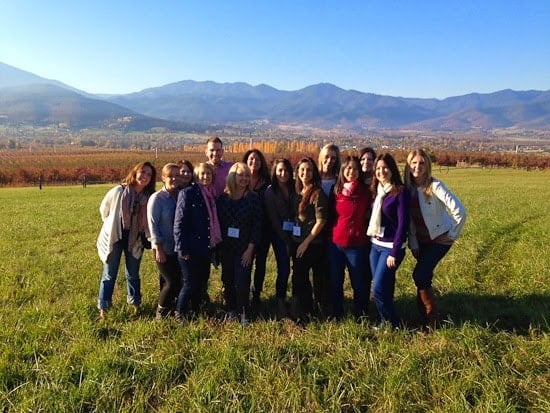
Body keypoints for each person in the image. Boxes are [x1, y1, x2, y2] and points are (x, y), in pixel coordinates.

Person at [404, 148, 467, 329]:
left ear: (428, 165)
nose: (417, 167)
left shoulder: (435, 186)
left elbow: (460, 212)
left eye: (422, 163)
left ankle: (433, 318)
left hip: (439, 240)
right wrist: (414, 243)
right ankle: (423, 317)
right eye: (414, 163)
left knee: (420, 274)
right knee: (424, 276)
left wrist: (452, 236)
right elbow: (410, 222)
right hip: (422, 241)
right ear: (408, 166)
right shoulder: (408, 189)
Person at [96, 161, 156, 319]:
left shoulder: (148, 197)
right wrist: (111, 225)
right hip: (115, 238)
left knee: (133, 274)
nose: (145, 177)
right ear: (135, 172)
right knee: (109, 274)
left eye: (149, 175)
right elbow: (104, 209)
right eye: (142, 172)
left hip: (135, 239)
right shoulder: (118, 191)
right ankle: (104, 308)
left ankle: (135, 305)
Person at [174, 163, 222, 322]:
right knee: (189, 283)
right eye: (202, 174)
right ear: (196, 176)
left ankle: (195, 310)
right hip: (190, 248)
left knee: (201, 282)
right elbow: (179, 223)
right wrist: (182, 248)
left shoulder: (212, 195)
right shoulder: (187, 193)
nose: (205, 177)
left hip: (206, 248)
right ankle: (180, 314)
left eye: (208, 174)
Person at [367, 153, 409, 329]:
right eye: (378, 168)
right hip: (375, 245)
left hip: (390, 248)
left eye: (385, 168)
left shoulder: (399, 192)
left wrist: (394, 252)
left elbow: (402, 224)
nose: (381, 171)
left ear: (392, 169)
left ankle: (393, 323)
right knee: (382, 287)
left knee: (377, 288)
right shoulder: (377, 191)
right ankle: (385, 321)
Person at [217, 162, 262, 326]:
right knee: (228, 280)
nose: (244, 178)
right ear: (232, 176)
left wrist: (250, 249)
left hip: (245, 248)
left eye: (246, 175)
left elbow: (257, 226)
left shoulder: (253, 199)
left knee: (242, 281)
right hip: (227, 247)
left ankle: (244, 312)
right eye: (240, 175)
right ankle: (231, 310)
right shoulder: (222, 199)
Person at [328, 156, 372, 320]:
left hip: (357, 244)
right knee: (335, 281)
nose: (351, 172)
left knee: (358, 282)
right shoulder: (336, 190)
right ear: (342, 170)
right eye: (348, 168)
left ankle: (360, 314)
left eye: (354, 169)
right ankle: (337, 313)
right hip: (335, 243)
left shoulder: (365, 191)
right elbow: (331, 215)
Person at [290, 157, 329, 324]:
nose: (305, 173)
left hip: (312, 244)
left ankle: (308, 312)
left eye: (309, 170)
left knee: (305, 278)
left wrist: (306, 242)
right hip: (297, 241)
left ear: (314, 173)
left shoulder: (317, 193)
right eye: (302, 170)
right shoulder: (297, 191)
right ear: (297, 172)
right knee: (299, 277)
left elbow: (322, 220)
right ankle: (303, 309)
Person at [147, 163, 181, 319]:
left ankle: (170, 308)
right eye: (170, 175)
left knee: (169, 280)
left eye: (177, 175)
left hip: (178, 247)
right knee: (172, 281)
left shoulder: (180, 195)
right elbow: (152, 226)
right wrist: (159, 249)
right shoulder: (157, 199)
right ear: (163, 178)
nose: (174, 178)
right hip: (162, 247)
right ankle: (160, 311)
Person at [264, 158, 297, 318]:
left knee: (298, 268)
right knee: (283, 268)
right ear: (275, 173)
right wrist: (286, 240)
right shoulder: (270, 192)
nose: (283, 174)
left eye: (286, 170)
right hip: (279, 236)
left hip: (297, 234)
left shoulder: (296, 187)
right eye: (280, 171)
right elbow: (274, 220)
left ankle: (297, 298)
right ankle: (280, 299)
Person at [242, 149, 271, 311]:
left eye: (258, 160)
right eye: (251, 159)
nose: (254, 162)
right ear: (245, 161)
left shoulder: (266, 183)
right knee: (246, 262)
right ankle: (243, 291)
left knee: (260, 263)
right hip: (245, 230)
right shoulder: (241, 179)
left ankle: (257, 293)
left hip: (264, 229)